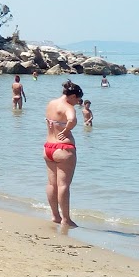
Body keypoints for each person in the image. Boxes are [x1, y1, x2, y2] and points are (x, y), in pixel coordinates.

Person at [44, 82, 83, 230]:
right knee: (63, 185)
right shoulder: (68, 107)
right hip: (63, 149)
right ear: (72, 96)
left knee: (51, 184)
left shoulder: (51, 103)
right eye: (77, 100)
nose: (77, 103)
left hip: (48, 147)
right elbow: (72, 119)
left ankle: (55, 216)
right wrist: (67, 130)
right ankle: (66, 219)